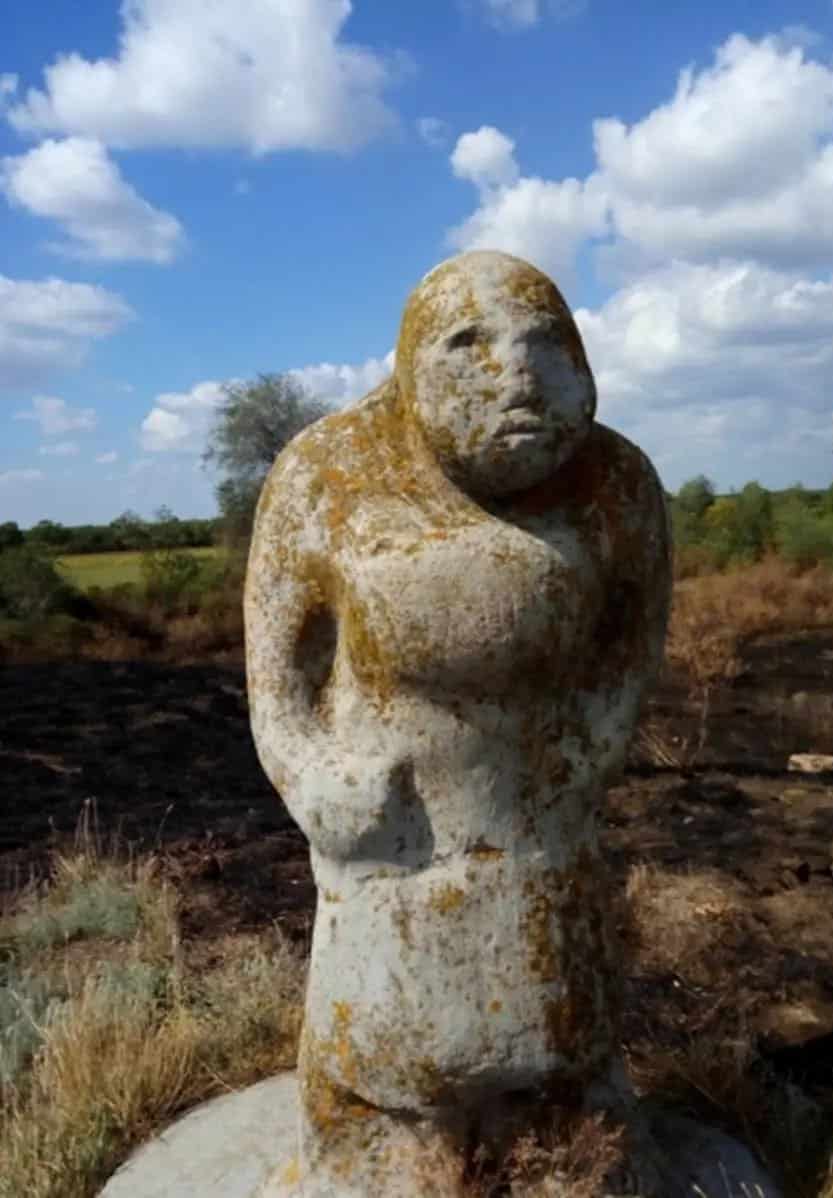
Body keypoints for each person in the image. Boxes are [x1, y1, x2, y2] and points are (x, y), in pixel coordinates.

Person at [244, 250, 671, 1183]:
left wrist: (597, 739)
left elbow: (636, 634)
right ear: (409, 368)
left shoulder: (618, 484)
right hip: (392, 830)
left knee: (557, 1016)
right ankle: (378, 1131)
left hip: (538, 810)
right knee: (391, 1043)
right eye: (469, 345)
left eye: (544, 343)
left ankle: (556, 1125)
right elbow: (277, 680)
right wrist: (314, 778)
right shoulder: (326, 474)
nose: (516, 375)